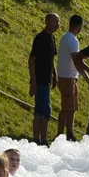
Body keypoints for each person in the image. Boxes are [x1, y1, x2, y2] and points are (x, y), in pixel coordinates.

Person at [28, 13, 59, 146]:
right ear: (47, 22)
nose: (57, 24)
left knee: (41, 110)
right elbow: (32, 60)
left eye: (58, 22)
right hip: (39, 79)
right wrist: (33, 81)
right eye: (55, 22)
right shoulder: (40, 38)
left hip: (47, 79)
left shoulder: (52, 38)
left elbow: (52, 58)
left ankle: (40, 138)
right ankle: (40, 138)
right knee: (44, 110)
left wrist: (55, 74)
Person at [55, 14, 83, 142]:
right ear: (79, 26)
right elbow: (76, 59)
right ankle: (60, 133)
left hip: (70, 76)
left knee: (72, 107)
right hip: (67, 77)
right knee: (66, 107)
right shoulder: (72, 39)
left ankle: (70, 133)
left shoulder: (66, 38)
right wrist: (87, 74)